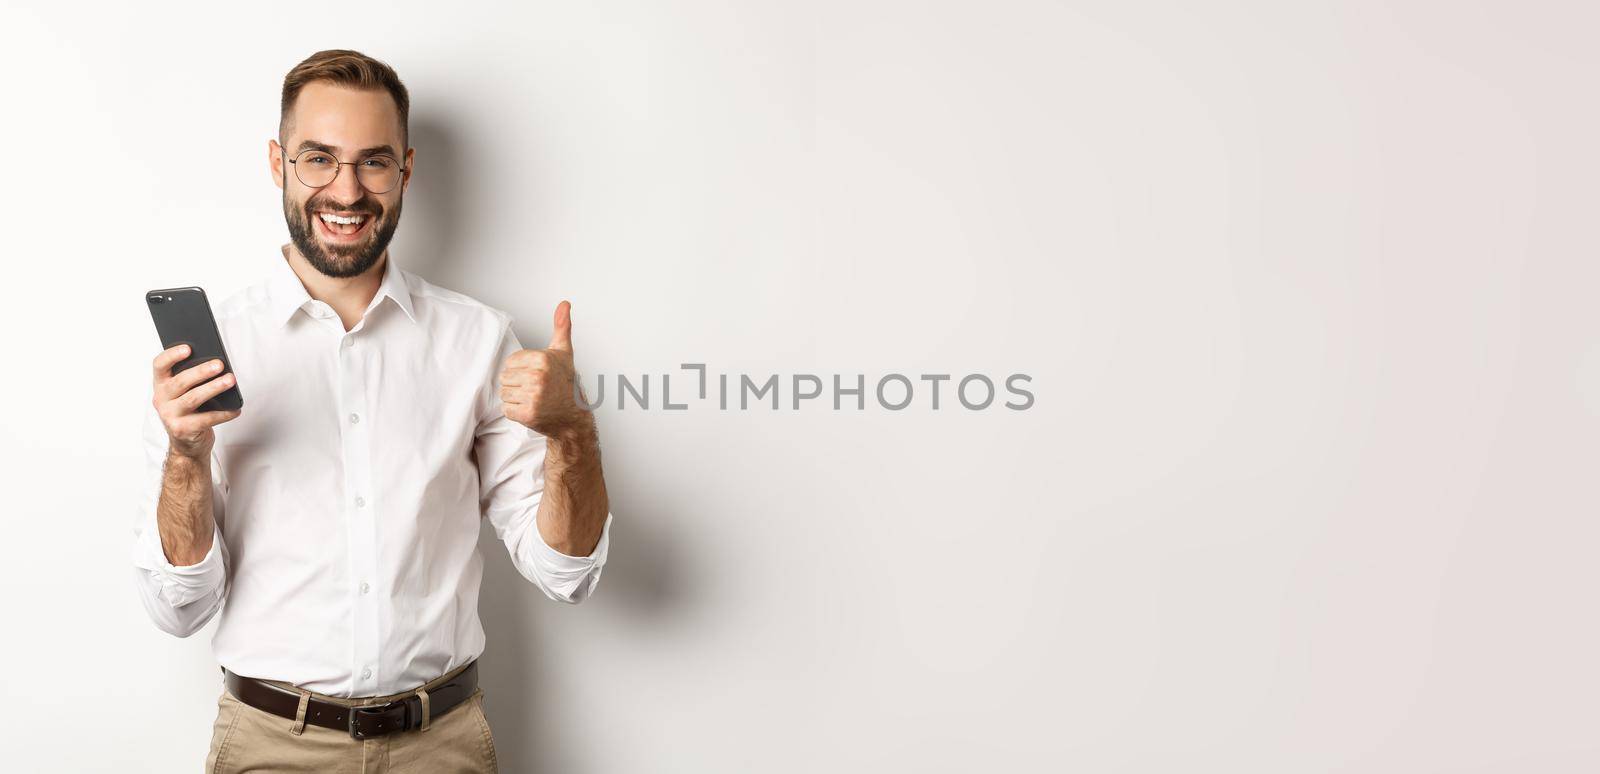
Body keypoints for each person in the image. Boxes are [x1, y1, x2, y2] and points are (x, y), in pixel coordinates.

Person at [130, 49, 614, 773]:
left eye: (373, 163)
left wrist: (573, 432)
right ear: (278, 163)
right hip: (269, 748)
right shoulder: (209, 359)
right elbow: (179, 610)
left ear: (406, 172)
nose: (346, 191)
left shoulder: (479, 342)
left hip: (441, 748)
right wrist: (186, 462)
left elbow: (565, 575)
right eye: (318, 159)